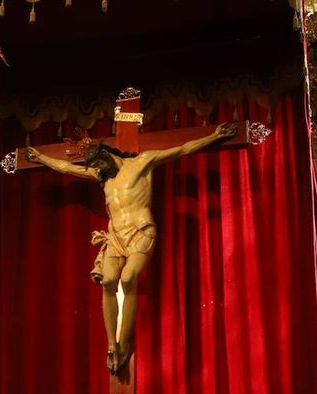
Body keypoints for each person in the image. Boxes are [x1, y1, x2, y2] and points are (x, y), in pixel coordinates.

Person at [25, 122, 237, 374]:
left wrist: (213, 136)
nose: (97, 173)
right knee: (107, 282)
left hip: (141, 231)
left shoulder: (142, 163)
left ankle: (124, 342)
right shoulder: (101, 176)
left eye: (99, 167)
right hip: (115, 236)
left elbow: (182, 149)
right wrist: (41, 157)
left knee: (128, 278)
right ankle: (112, 343)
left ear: (107, 156)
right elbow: (67, 168)